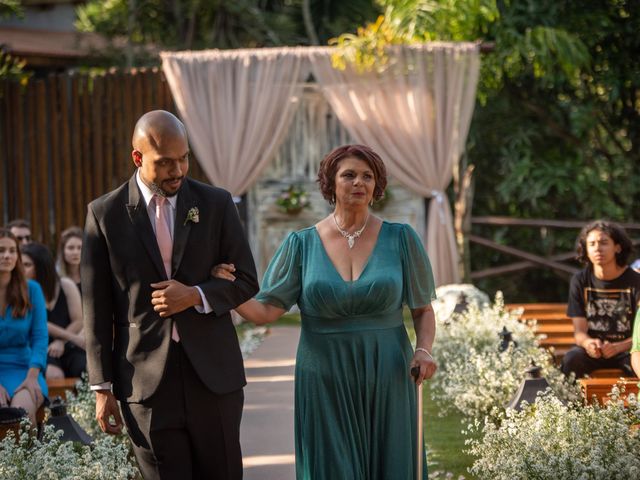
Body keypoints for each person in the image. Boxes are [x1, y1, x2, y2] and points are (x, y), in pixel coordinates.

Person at [214, 144, 437, 480]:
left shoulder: (401, 239)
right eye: (349, 175)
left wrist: (423, 350)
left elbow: (422, 309)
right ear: (330, 183)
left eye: (367, 176)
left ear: (377, 187)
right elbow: (265, 311)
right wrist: (226, 289)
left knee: (390, 466)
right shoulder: (301, 244)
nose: (358, 183)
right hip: (324, 376)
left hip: (388, 370)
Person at [81, 110, 258, 479]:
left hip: (213, 377)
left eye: (184, 159)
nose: (177, 170)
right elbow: (96, 307)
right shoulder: (105, 214)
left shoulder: (216, 204)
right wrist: (102, 387)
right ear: (138, 158)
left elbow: (245, 280)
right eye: (165, 163)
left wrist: (195, 294)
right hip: (144, 383)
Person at [561, 220, 640, 379]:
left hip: (627, 349)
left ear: (617, 247)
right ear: (586, 249)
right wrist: (588, 344)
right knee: (571, 359)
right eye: (592, 244)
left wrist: (619, 347)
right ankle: (570, 404)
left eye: (604, 242)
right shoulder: (579, 280)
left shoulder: (636, 280)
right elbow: (579, 333)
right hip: (593, 352)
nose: (597, 248)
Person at [0, 229, 48, 425]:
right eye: (1, 250)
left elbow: (40, 337)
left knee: (21, 417)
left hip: (25, 369)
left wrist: (32, 377)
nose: (7, 255)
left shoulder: (32, 289)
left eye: (13, 251)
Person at [21, 243, 86, 379]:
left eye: (27, 265)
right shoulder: (23, 290)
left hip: (69, 346)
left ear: (41, 267)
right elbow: (39, 323)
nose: (21, 269)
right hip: (41, 346)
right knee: (54, 374)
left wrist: (62, 342)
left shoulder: (65, 285)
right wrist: (73, 338)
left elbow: (78, 320)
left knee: (86, 370)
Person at [56, 226, 83, 295]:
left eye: (80, 247)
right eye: (71, 248)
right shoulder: (56, 278)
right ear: (63, 251)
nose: (75, 252)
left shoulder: (92, 275)